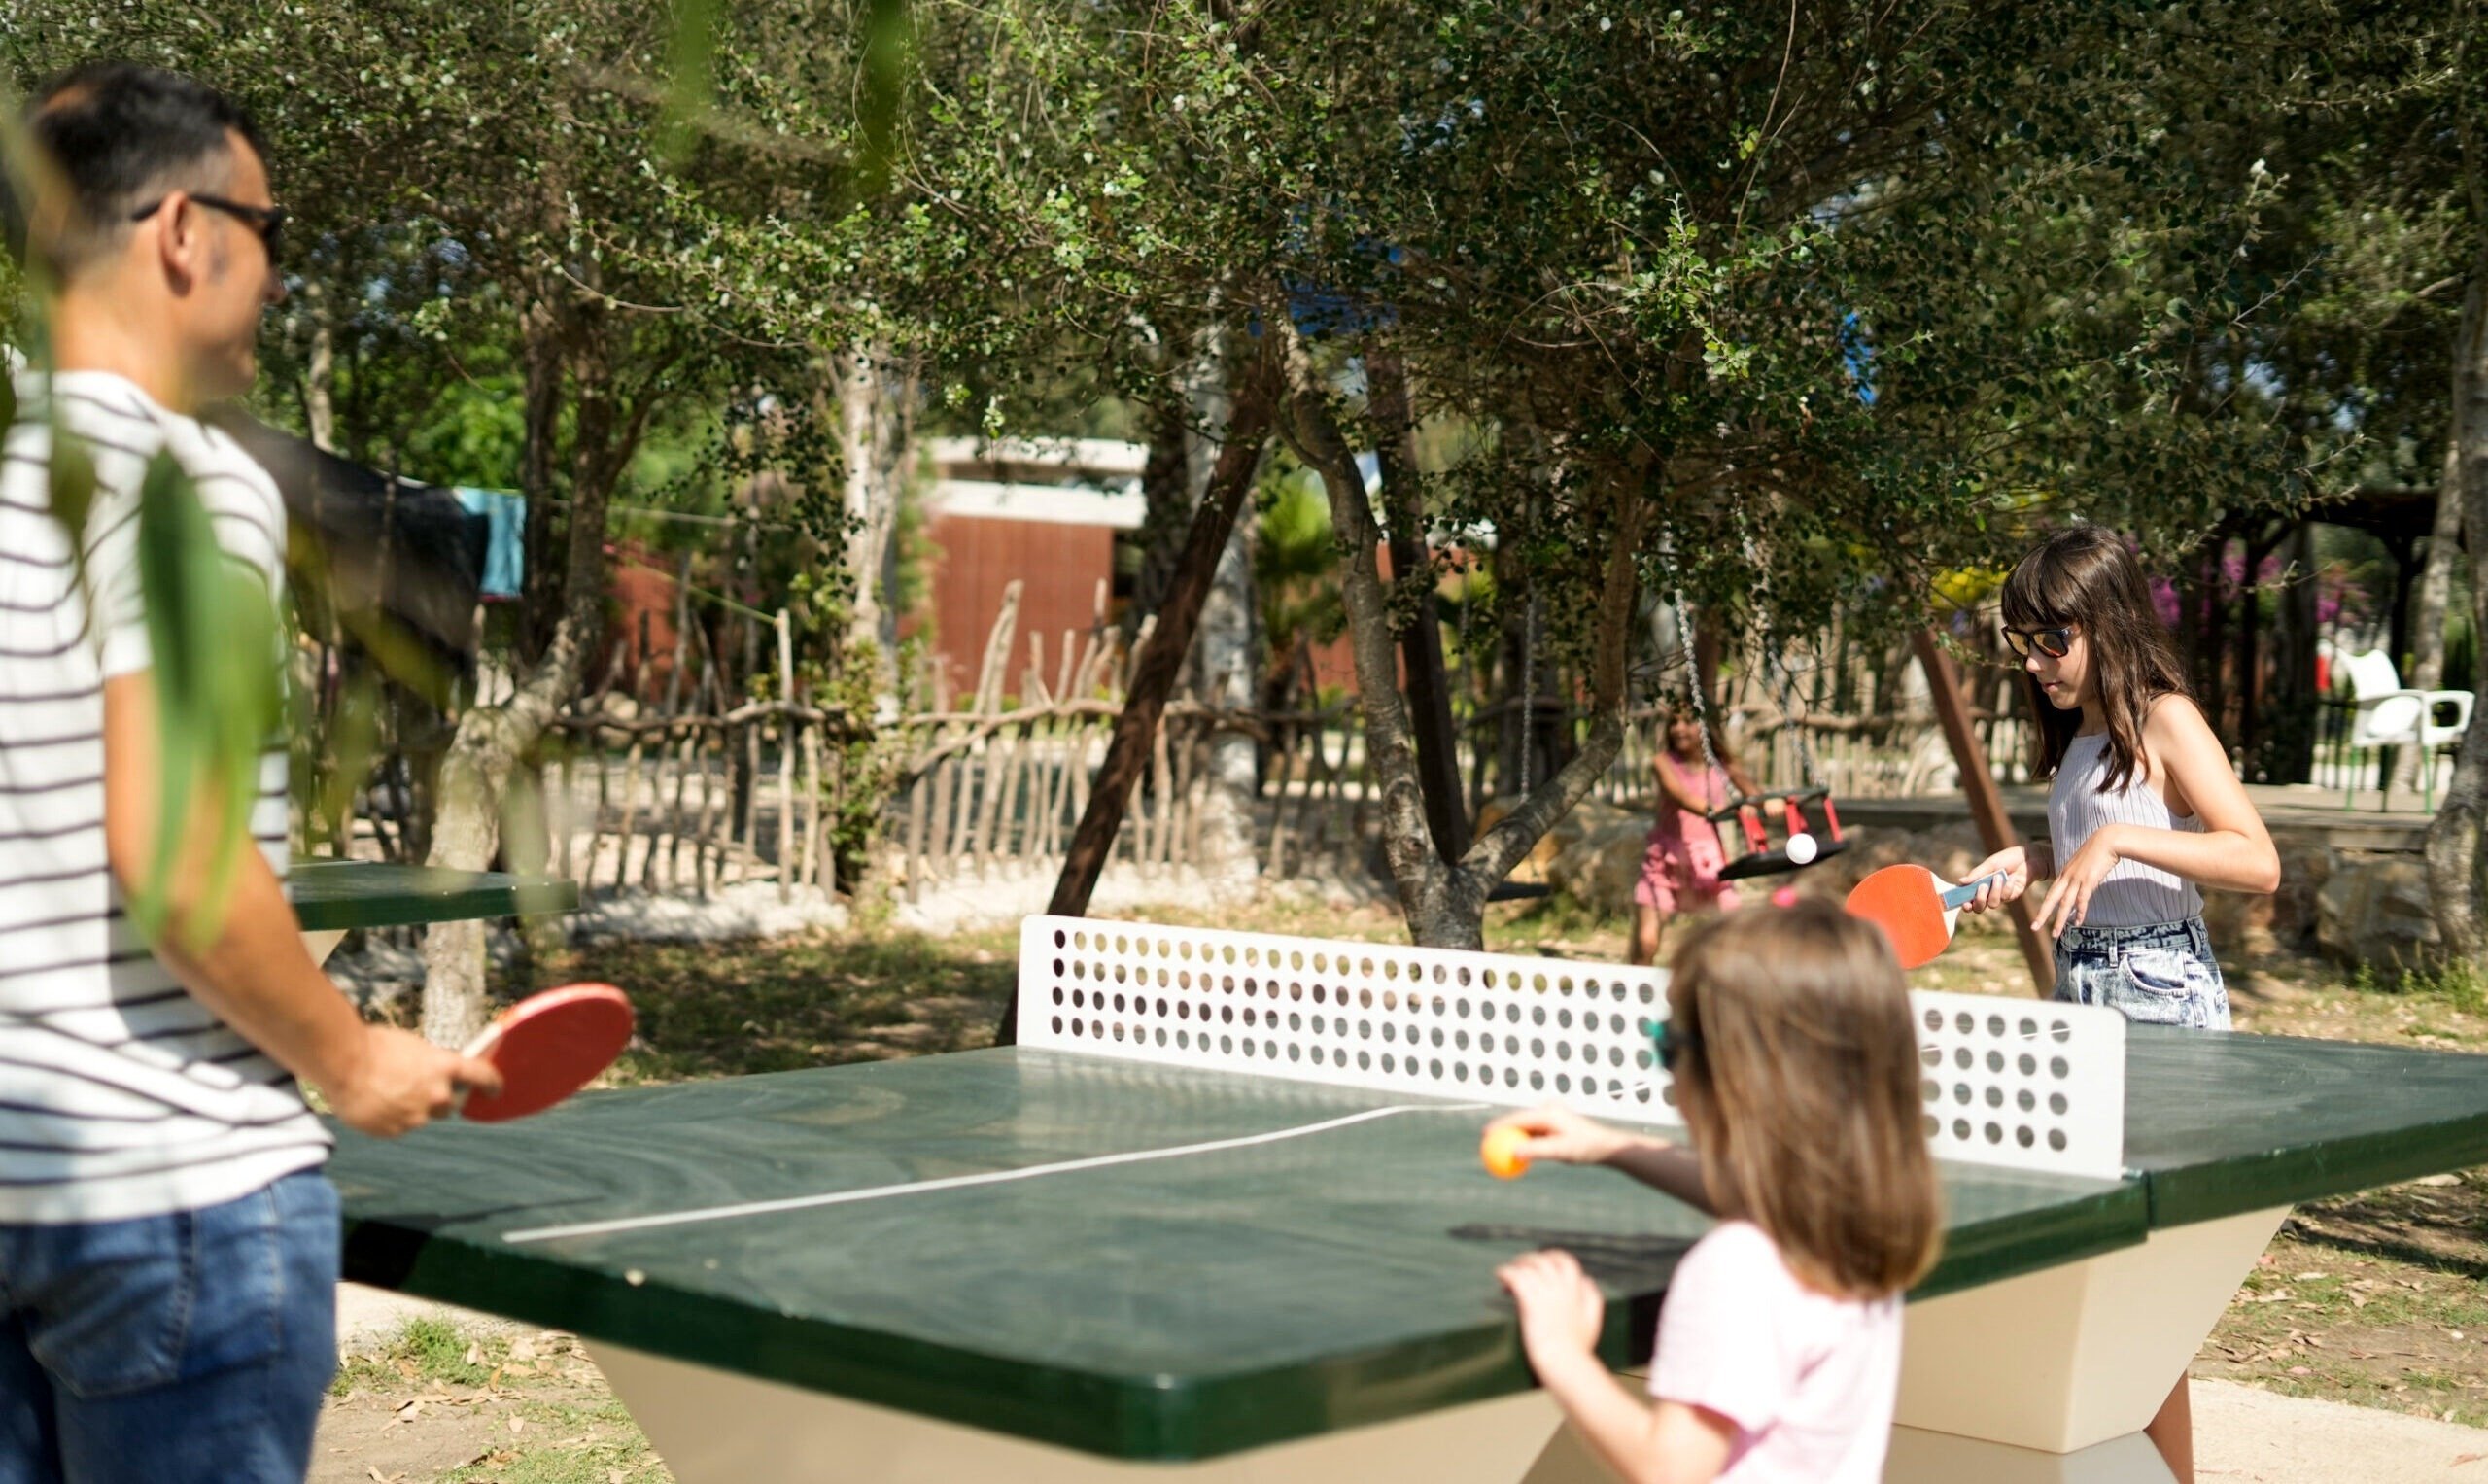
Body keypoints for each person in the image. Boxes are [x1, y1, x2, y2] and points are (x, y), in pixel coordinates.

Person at [0, 63, 499, 1484]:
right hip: (169, 1198)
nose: (279, 277)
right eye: (269, 231)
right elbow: (181, 860)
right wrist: (353, 1059)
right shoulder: (184, 482)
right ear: (181, 233)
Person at [1959, 522, 2280, 1483]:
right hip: (2083, 999)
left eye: (2051, 638)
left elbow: (2253, 861)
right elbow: (2104, 845)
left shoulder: (2163, 717)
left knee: (2139, 1291)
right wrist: (2036, 859)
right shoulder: (2083, 737)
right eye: (2022, 640)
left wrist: (2116, 847)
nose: (2035, 659)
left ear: (2105, 621)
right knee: (2093, 1280)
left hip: (2158, 996)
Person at [1489, 903, 1941, 1483]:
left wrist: (1560, 1351)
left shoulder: (1737, 1268)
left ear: (1729, 1076)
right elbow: (1762, 1196)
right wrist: (1609, 1146)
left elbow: (1668, 1469)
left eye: (1669, 1047)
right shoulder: (1859, 1222)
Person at [1631, 707, 1763, 966]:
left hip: (1707, 859)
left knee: (1735, 930)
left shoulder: (1723, 766)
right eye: (1674, 722)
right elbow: (1680, 796)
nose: (1679, 728)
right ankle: (1634, 989)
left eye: (1688, 722)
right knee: (1647, 942)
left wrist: (1761, 803)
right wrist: (1727, 809)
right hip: (1666, 858)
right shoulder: (1663, 762)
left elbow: (1754, 794)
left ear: (1706, 727)